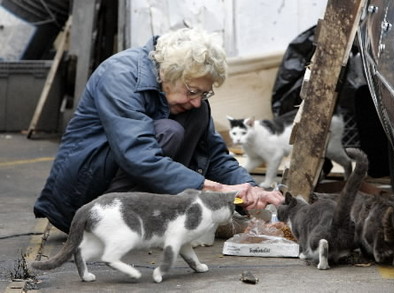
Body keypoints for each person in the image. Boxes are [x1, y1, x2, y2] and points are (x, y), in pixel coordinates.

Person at [33, 27, 284, 233]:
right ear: (167, 74)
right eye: (193, 91)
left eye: (205, 93)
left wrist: (251, 189)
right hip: (80, 201)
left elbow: (216, 157)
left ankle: (142, 219)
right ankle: (106, 221)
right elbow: (139, 155)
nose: (197, 100)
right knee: (169, 131)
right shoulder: (120, 75)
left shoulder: (190, 98)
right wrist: (219, 190)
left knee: (194, 117)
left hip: (123, 190)